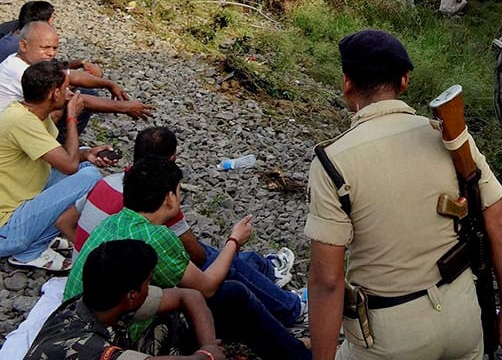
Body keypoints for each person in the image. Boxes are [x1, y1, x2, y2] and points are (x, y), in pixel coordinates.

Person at [305, 30, 502, 358]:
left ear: (347, 83)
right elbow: (500, 227)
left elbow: (327, 281)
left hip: (388, 335)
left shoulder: (331, 161)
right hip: (463, 317)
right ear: (404, 81)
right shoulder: (452, 139)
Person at [66, 157, 310, 360]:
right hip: (119, 338)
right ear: (170, 198)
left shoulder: (114, 221)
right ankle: (296, 349)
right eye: (179, 191)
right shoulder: (157, 236)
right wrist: (234, 240)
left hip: (78, 319)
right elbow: (208, 288)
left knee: (233, 275)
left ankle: (282, 333)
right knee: (235, 294)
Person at [74, 126, 303, 326]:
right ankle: (292, 307)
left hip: (89, 286)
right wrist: (234, 241)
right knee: (228, 268)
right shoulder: (155, 211)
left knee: (229, 260)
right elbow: (200, 262)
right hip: (116, 304)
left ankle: (267, 269)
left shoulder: (108, 189)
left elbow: (65, 220)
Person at [26, 239, 226, 360]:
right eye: (148, 283)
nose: (151, 288)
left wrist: (209, 346)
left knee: (173, 318)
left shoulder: (101, 302)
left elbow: (188, 296)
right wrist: (205, 356)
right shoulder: (83, 347)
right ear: (132, 295)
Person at [0, 60, 114, 272]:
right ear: (54, 94)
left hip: (22, 197)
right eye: (66, 89)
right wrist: (72, 118)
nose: (70, 93)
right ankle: (29, 252)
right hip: (7, 228)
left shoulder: (29, 112)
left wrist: (87, 154)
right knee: (88, 177)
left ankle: (41, 235)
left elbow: (63, 157)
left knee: (85, 164)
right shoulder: (22, 122)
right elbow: (69, 165)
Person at [0, 21, 154, 140]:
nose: (51, 53)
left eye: (54, 48)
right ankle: (56, 150)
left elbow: (70, 75)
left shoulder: (29, 62)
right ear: (24, 45)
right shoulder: (18, 70)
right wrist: (124, 107)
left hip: (19, 120)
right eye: (45, 48)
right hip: (9, 130)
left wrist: (109, 84)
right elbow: (74, 99)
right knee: (62, 105)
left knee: (85, 92)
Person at [0, 1, 104, 74]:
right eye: (52, 19)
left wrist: (80, 63)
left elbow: (52, 67)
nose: (51, 53)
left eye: (54, 48)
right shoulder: (27, 47)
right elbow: (50, 87)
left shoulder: (12, 31)